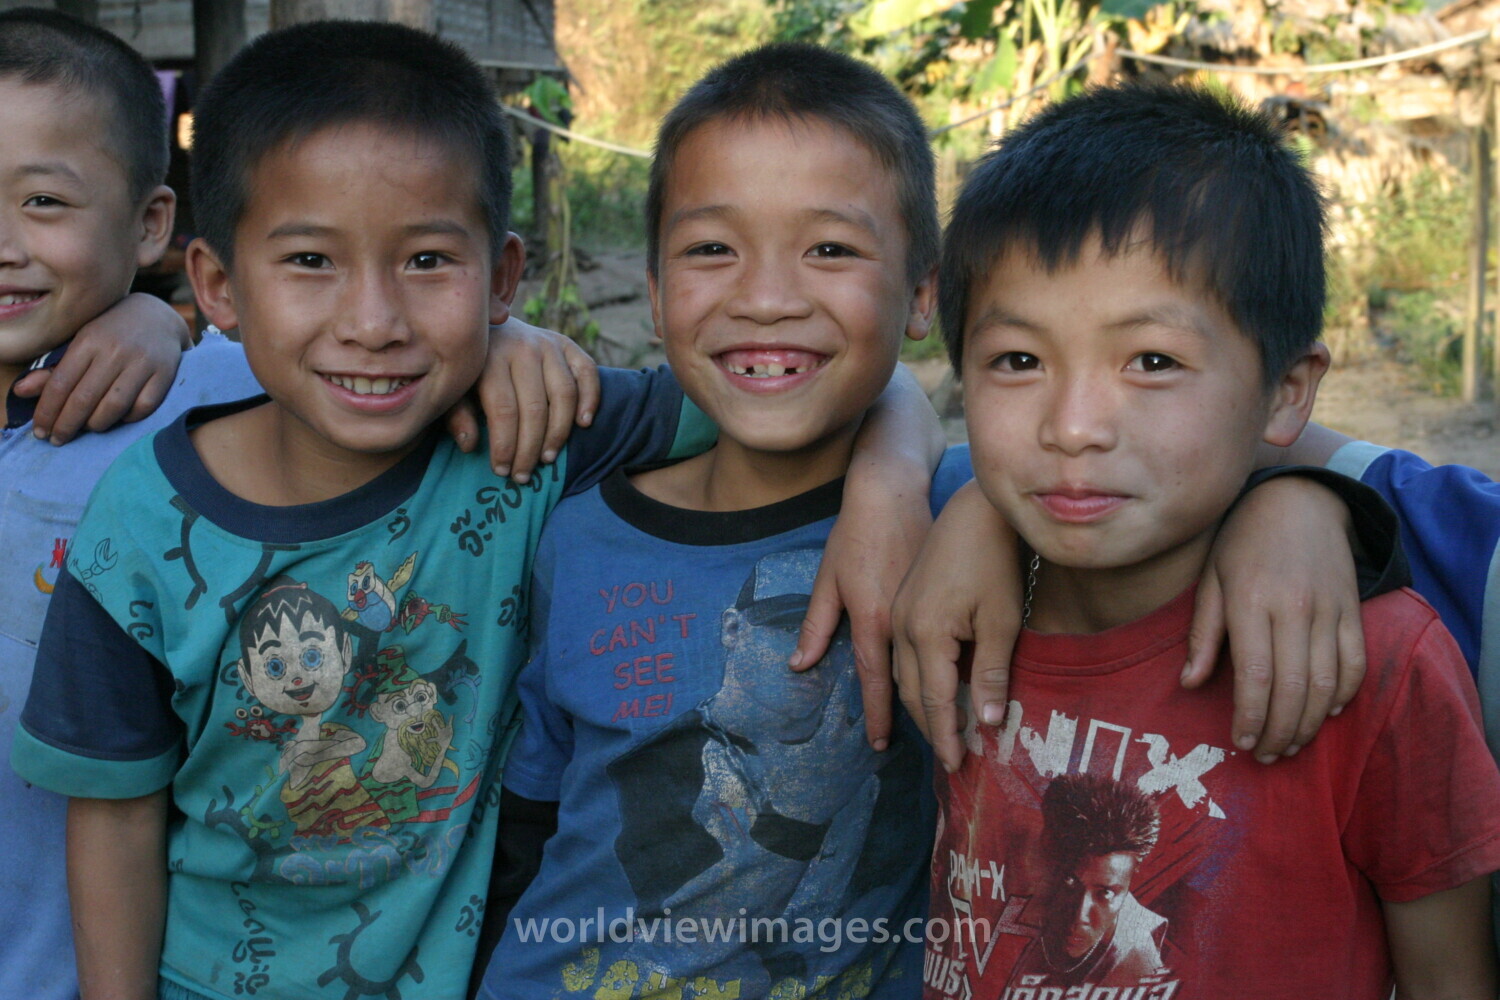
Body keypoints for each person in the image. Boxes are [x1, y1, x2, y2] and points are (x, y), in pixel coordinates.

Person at [11, 22, 937, 1000]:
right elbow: (115, 813)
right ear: (216, 285)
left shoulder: (533, 434)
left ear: (501, 277)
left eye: (426, 262)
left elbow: (795, 379)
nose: (374, 323)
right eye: (311, 261)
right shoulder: (142, 526)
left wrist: (891, 481)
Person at [922, 82, 1500, 999]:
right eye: (1018, 360)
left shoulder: (1375, 664)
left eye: (1153, 361)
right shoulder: (949, 612)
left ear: (1285, 393)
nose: (1073, 427)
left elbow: (1450, 979)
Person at [476, 44, 960, 999]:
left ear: (921, 294)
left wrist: (1283, 511)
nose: (767, 298)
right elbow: (530, 820)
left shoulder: (971, 520)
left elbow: (1213, 476)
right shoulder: (579, 536)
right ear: (655, 295)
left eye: (830, 249)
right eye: (711, 249)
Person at [0, 11, 262, 1000]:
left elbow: (394, 364)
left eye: (42, 201)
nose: (1, 244)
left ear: (152, 224)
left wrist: (514, 346)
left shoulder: (194, 397)